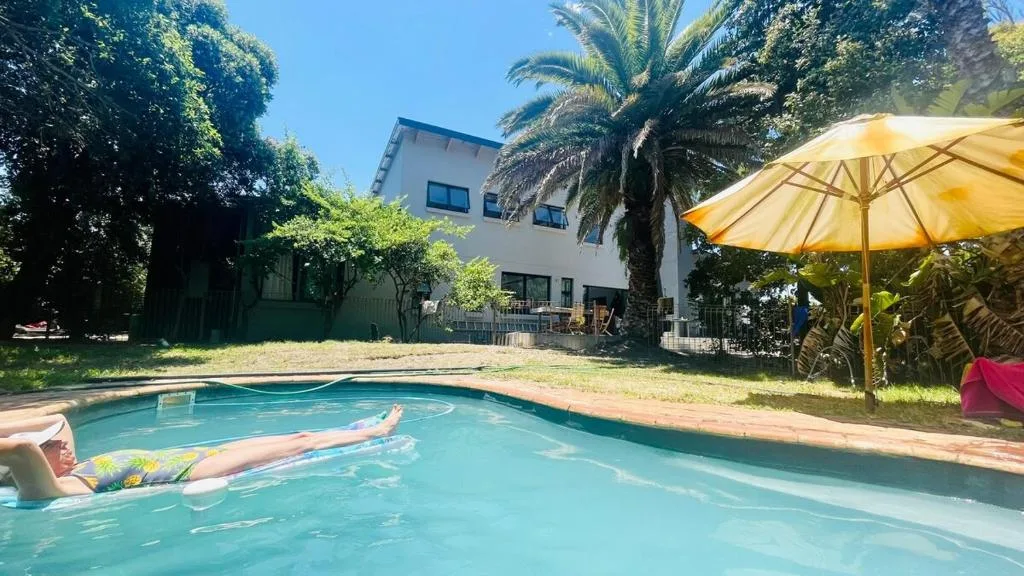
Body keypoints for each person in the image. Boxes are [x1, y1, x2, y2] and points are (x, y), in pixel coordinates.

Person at [0, 404, 404, 502]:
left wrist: (46, 434)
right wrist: (35, 447)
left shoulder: (65, 464)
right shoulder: (52, 487)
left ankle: (359, 431)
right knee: (301, 446)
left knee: (296, 432)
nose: (66, 446)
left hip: (197, 451)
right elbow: (18, 447)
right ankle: (378, 432)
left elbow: (53, 415)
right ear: (37, 459)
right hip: (191, 471)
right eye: (54, 446)